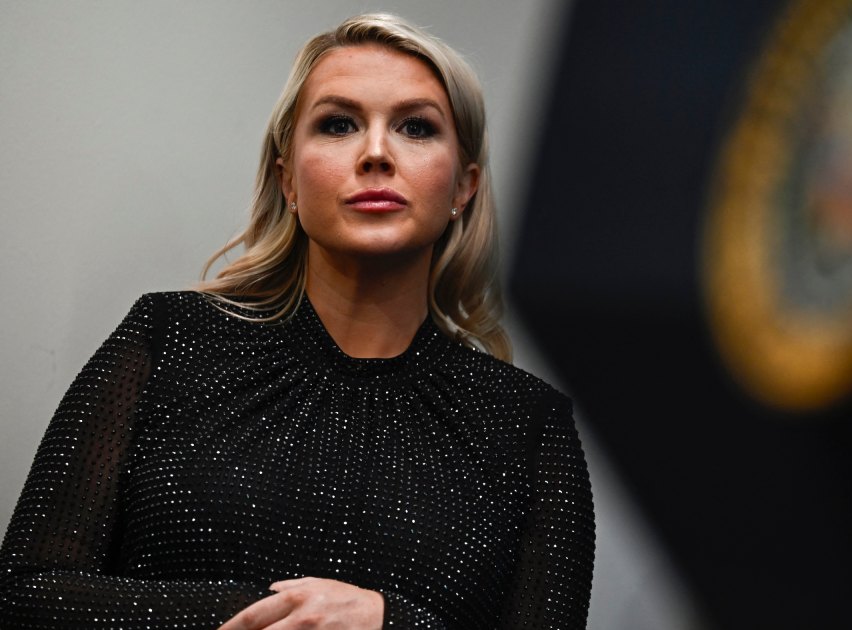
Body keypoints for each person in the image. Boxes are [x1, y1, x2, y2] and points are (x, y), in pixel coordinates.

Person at [0, 13, 594, 629]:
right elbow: (22, 597)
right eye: (338, 124)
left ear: (462, 187)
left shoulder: (527, 426)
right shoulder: (169, 340)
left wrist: (391, 624)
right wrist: (262, 617)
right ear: (287, 178)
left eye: (416, 127)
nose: (376, 153)